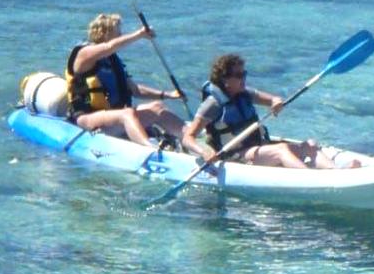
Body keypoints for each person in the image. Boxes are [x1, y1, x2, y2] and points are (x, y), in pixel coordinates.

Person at [181, 53, 349, 169]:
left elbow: (273, 99)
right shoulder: (213, 104)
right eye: (239, 75)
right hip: (235, 155)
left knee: (310, 145)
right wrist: (204, 151)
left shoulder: (245, 94)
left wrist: (276, 103)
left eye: (244, 73)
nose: (244, 78)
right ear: (225, 80)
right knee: (281, 150)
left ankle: (335, 172)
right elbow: (188, 137)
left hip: (259, 148)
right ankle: (312, 179)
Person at [65, 12, 187, 147]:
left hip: (115, 116)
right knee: (127, 114)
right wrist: (139, 35)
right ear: (105, 34)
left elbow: (135, 90)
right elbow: (109, 46)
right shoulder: (84, 53)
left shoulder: (112, 60)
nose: (121, 35)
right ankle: (150, 148)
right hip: (87, 118)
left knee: (158, 108)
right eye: (118, 33)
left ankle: (190, 137)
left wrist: (167, 94)